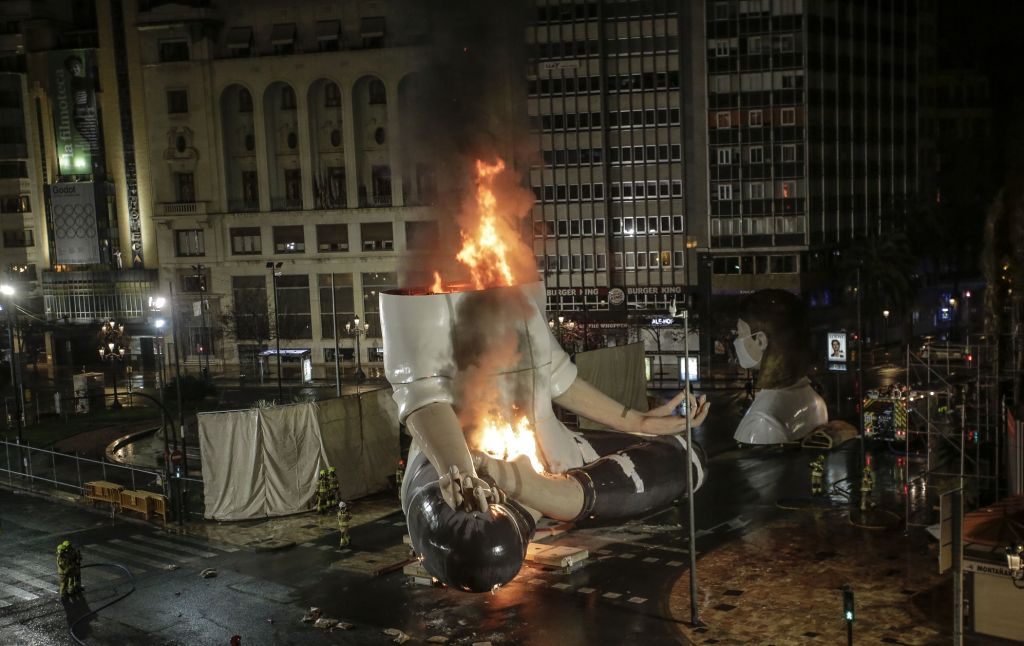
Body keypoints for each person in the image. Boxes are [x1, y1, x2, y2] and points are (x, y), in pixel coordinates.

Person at [382, 281, 710, 592]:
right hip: (455, 462)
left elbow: (557, 378)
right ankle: (543, 497)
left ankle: (536, 491)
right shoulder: (426, 290)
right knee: (481, 549)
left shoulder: (514, 280)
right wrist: (464, 474)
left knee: (688, 457)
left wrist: (640, 422)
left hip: (551, 452)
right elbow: (424, 399)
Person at [732, 290, 828, 444]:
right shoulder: (816, 401)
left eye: (740, 333)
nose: (736, 340)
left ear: (761, 341)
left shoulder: (763, 422)